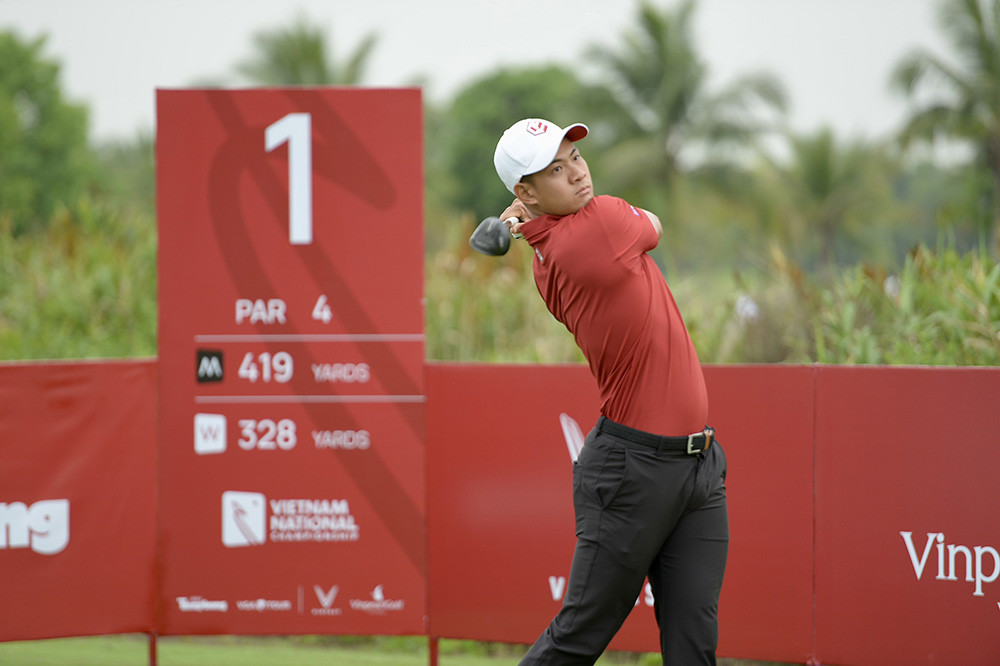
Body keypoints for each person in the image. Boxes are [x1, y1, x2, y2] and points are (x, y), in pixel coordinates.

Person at [491, 118, 729, 665]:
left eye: (575, 156)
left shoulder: (547, 245)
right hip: (634, 470)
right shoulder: (599, 227)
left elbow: (553, 229)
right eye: (555, 168)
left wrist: (525, 221)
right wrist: (530, 221)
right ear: (525, 192)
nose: (577, 171)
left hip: (698, 466)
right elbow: (655, 224)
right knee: (580, 635)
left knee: (694, 643)